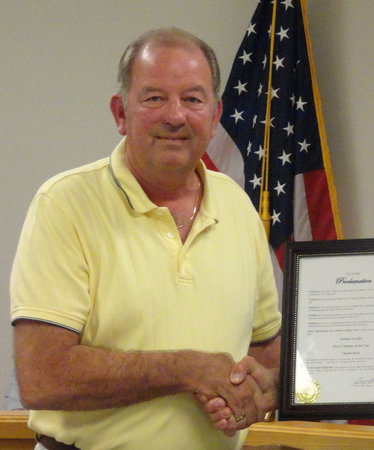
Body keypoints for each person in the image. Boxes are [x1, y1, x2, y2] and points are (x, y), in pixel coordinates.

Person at [10, 28, 281, 449]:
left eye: (193, 99)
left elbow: (267, 346)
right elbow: (42, 377)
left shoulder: (238, 207)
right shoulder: (64, 204)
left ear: (214, 115)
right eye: (155, 98)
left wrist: (262, 389)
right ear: (121, 112)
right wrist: (185, 369)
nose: (176, 115)